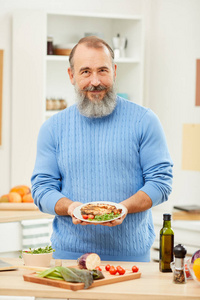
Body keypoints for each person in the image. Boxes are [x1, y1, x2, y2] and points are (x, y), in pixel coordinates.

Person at [31, 36, 173, 262]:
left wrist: (122, 208)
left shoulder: (144, 121)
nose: (95, 81)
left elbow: (160, 182)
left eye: (103, 71)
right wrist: (71, 208)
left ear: (114, 71)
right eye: (85, 71)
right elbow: (41, 189)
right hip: (69, 258)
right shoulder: (52, 128)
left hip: (131, 260)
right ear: (71, 76)